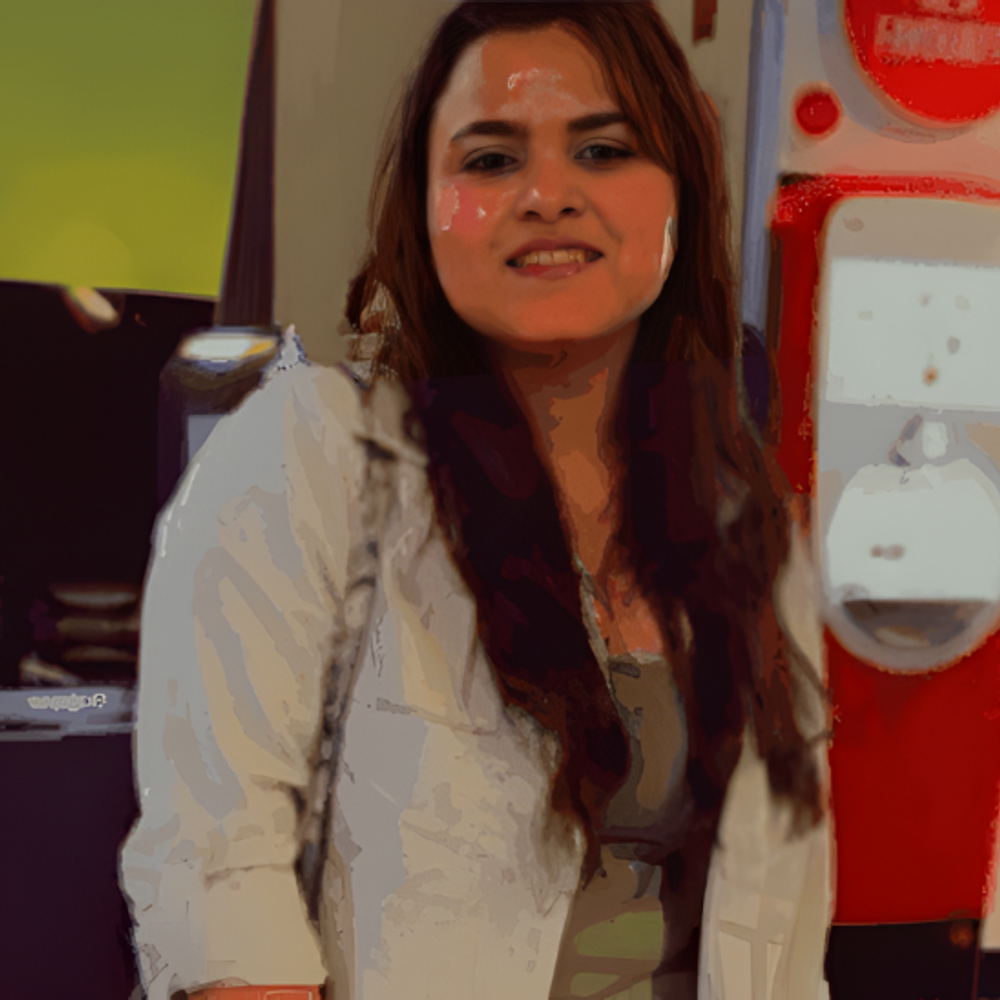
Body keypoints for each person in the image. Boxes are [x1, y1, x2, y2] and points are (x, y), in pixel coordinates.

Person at [120, 3, 830, 998]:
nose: (548, 194)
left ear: (681, 189)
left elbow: (786, 934)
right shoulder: (311, 457)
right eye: (491, 160)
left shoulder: (746, 521)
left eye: (603, 149)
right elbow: (218, 885)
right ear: (425, 206)